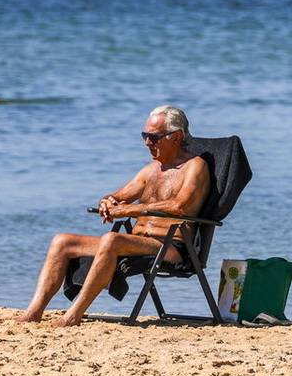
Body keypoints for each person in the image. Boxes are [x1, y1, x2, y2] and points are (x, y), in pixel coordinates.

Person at [16, 105, 211, 326]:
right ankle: (33, 311)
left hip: (171, 247)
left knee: (111, 239)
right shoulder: (151, 170)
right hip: (136, 243)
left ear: (176, 137)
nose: (147, 143)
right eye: (145, 136)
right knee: (62, 241)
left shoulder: (195, 166)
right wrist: (107, 201)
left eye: (154, 137)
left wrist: (127, 210)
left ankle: (73, 315)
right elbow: (119, 196)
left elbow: (180, 206)